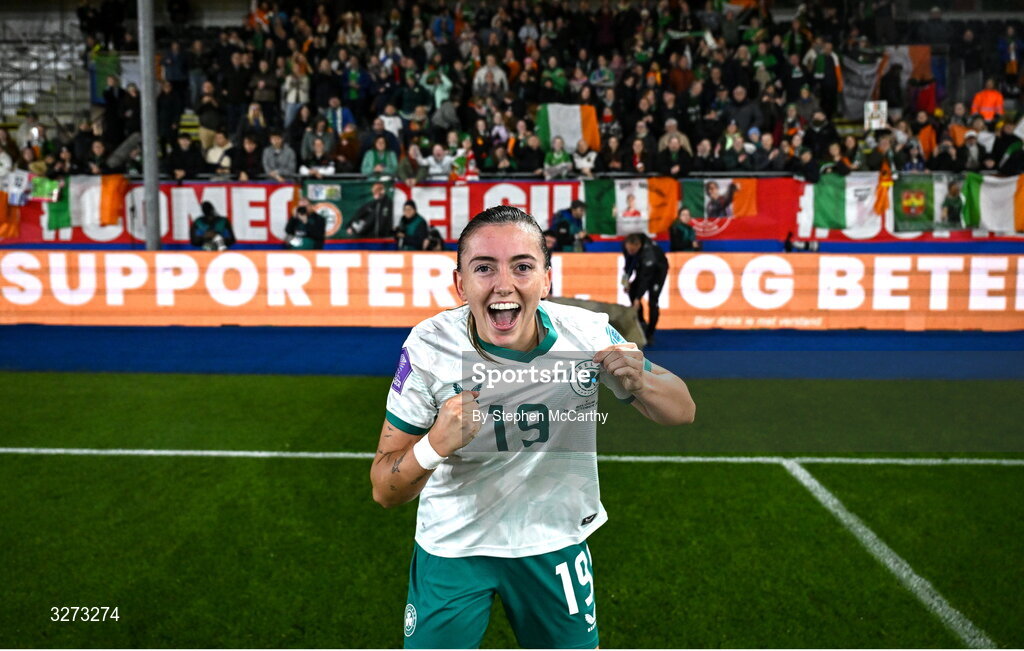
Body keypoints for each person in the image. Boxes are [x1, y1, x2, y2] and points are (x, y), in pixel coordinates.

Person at [371, 205, 695, 649]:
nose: (504, 284)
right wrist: (434, 444)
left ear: (546, 278)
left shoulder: (586, 333)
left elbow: (683, 410)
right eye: (484, 268)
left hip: (554, 539)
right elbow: (384, 490)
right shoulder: (429, 345)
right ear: (460, 283)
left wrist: (639, 381)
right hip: (453, 544)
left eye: (522, 267)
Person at [621, 232, 669, 344]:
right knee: (631, 291)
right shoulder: (626, 245)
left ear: (638, 246)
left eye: (632, 250)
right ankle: (641, 322)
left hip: (658, 271)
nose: (630, 252)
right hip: (643, 267)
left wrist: (638, 298)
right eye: (629, 250)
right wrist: (625, 282)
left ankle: (650, 333)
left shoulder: (649, 254)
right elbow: (628, 262)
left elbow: (645, 279)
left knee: (653, 301)